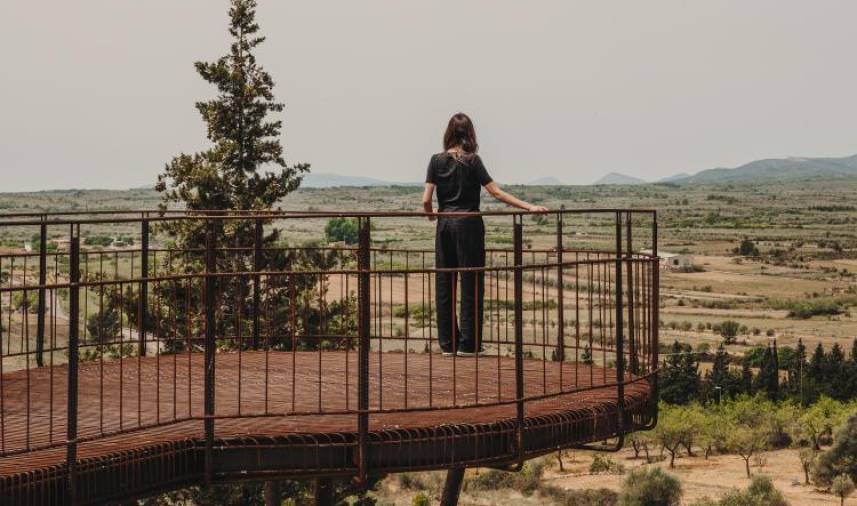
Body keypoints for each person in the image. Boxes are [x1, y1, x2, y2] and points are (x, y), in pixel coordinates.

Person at [422, 113, 547, 356]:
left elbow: (426, 199)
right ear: (470, 135)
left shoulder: (435, 161)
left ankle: (448, 344)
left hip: (445, 225)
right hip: (469, 225)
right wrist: (528, 207)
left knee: (445, 282)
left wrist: (432, 215)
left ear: (448, 134)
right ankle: (469, 345)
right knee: (472, 282)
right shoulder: (473, 161)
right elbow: (497, 193)